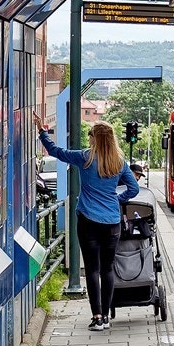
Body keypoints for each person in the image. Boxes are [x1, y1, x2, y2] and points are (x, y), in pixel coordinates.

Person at [39, 116, 140, 331]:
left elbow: (56, 151)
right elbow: (134, 189)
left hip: (88, 220)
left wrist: (42, 131)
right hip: (112, 222)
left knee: (92, 270)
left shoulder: (85, 158)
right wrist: (115, 200)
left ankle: (96, 317)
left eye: (90, 135)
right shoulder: (119, 162)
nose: (89, 138)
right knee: (108, 270)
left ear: (96, 139)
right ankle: (106, 316)